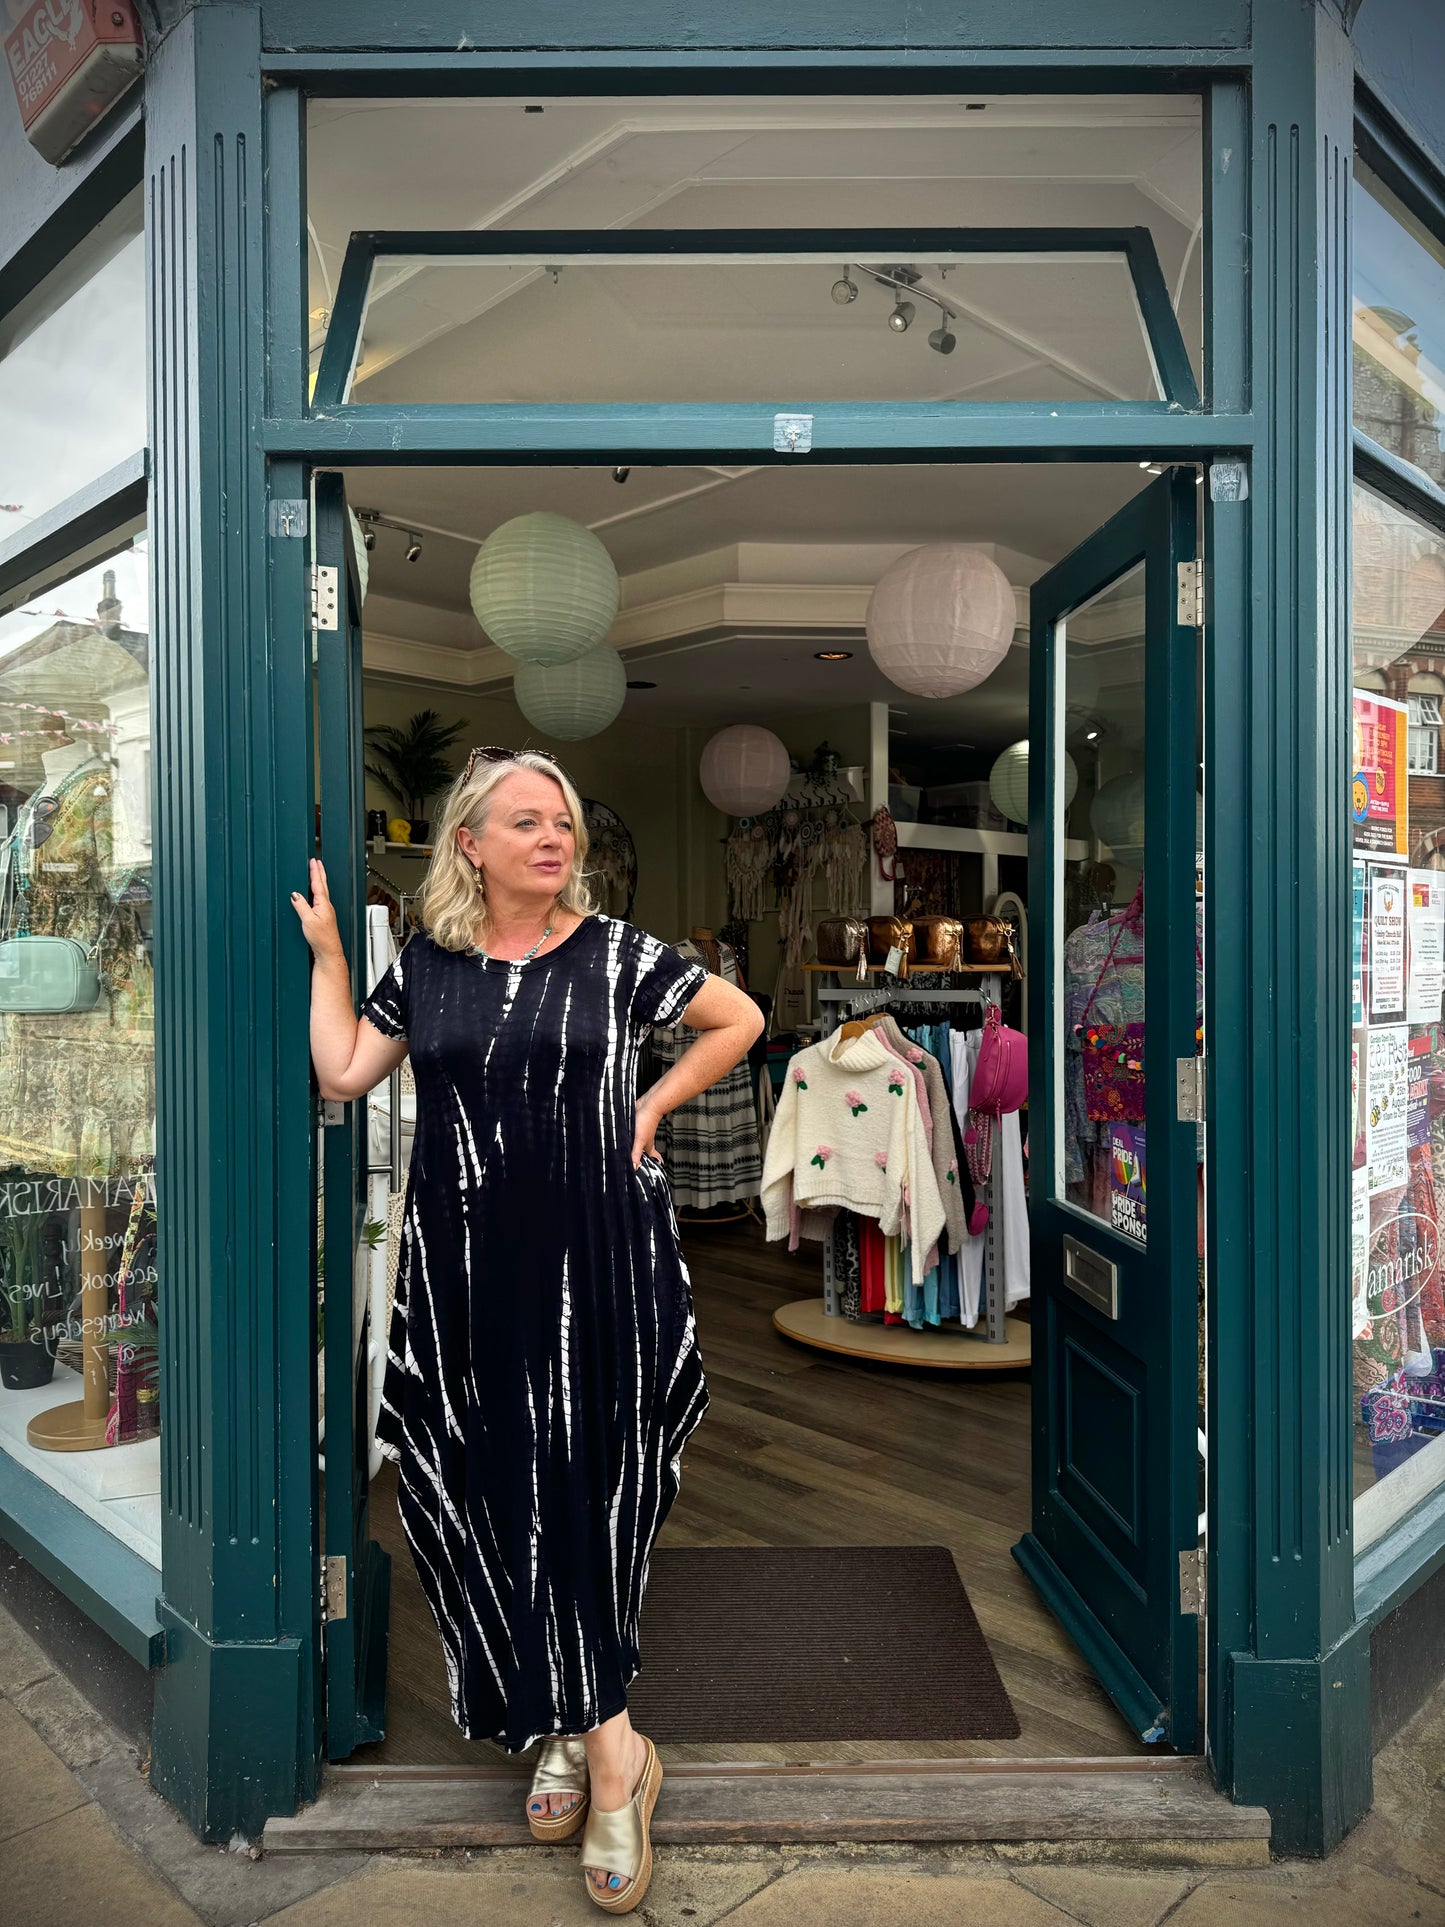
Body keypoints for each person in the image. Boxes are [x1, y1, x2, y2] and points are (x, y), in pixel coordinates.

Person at [292, 745, 761, 1914]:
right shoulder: (432, 965)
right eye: (526, 822)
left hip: (597, 1266)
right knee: (496, 1487)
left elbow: (739, 1018)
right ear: (472, 844)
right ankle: (568, 1715)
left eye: (561, 823)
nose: (553, 839)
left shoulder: (617, 955)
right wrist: (335, 960)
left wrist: (648, 1101)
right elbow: (346, 1070)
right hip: (464, 1276)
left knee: (585, 1492)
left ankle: (609, 1755)